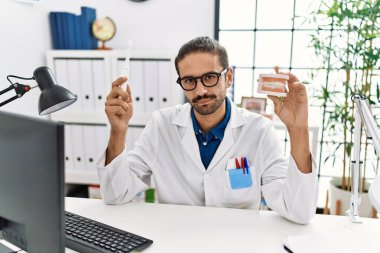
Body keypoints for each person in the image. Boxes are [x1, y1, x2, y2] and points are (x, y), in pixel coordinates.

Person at [97, 36, 318, 224]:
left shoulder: (259, 131)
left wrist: (298, 129)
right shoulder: (161, 125)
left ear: (228, 77)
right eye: (189, 80)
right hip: (175, 239)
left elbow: (298, 211)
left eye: (210, 77)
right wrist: (118, 131)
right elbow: (116, 194)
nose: (201, 90)